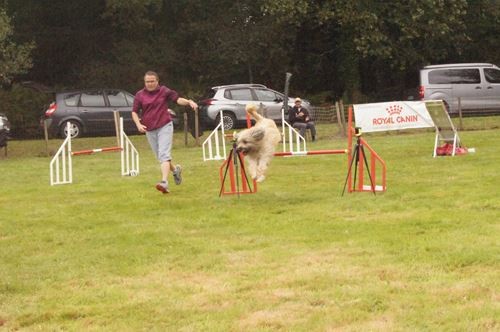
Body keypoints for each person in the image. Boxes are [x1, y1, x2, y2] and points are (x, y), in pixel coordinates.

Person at [132, 70, 198, 194]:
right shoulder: (139, 95)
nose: (150, 84)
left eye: (152, 81)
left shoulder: (164, 91)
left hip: (164, 126)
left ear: (157, 81)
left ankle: (164, 182)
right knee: (161, 157)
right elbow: (134, 111)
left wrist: (188, 102)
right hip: (149, 129)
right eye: (147, 82)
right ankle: (175, 171)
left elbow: (177, 99)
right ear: (144, 82)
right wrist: (138, 124)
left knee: (164, 155)